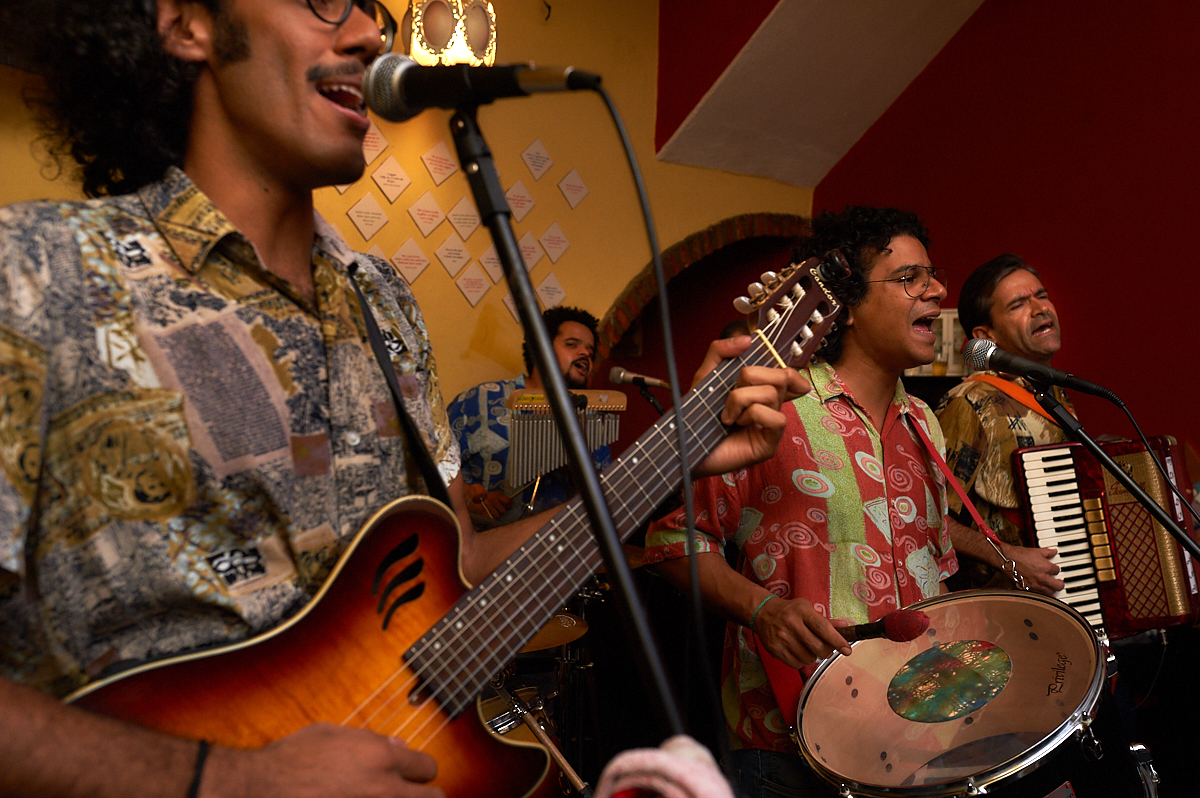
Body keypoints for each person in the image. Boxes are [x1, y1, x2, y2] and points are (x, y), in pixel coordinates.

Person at [0, 1, 806, 796]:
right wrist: (234, 779)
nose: (366, 32)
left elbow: (465, 562)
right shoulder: (37, 275)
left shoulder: (380, 302)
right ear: (186, 23)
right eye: (322, 1)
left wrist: (674, 457)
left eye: (371, 7)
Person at [645, 206, 965, 797]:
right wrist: (762, 610)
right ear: (844, 304)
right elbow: (673, 546)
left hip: (915, 738)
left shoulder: (924, 420)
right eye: (909, 279)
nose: (938, 291)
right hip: (790, 744)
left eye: (933, 275)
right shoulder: (772, 407)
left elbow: (935, 572)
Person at [935, 254, 1068, 594]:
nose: (1040, 309)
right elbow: (928, 520)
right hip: (1003, 615)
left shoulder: (1055, 395)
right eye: (1018, 305)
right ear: (985, 336)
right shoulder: (971, 402)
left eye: (1041, 295)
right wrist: (1007, 557)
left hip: (1060, 600)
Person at [448, 306, 610, 527]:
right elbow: (429, 470)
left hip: (557, 551)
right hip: (483, 545)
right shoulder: (479, 401)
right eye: (572, 345)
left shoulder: (590, 421)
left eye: (590, 352)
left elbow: (601, 501)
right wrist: (467, 497)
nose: (584, 354)